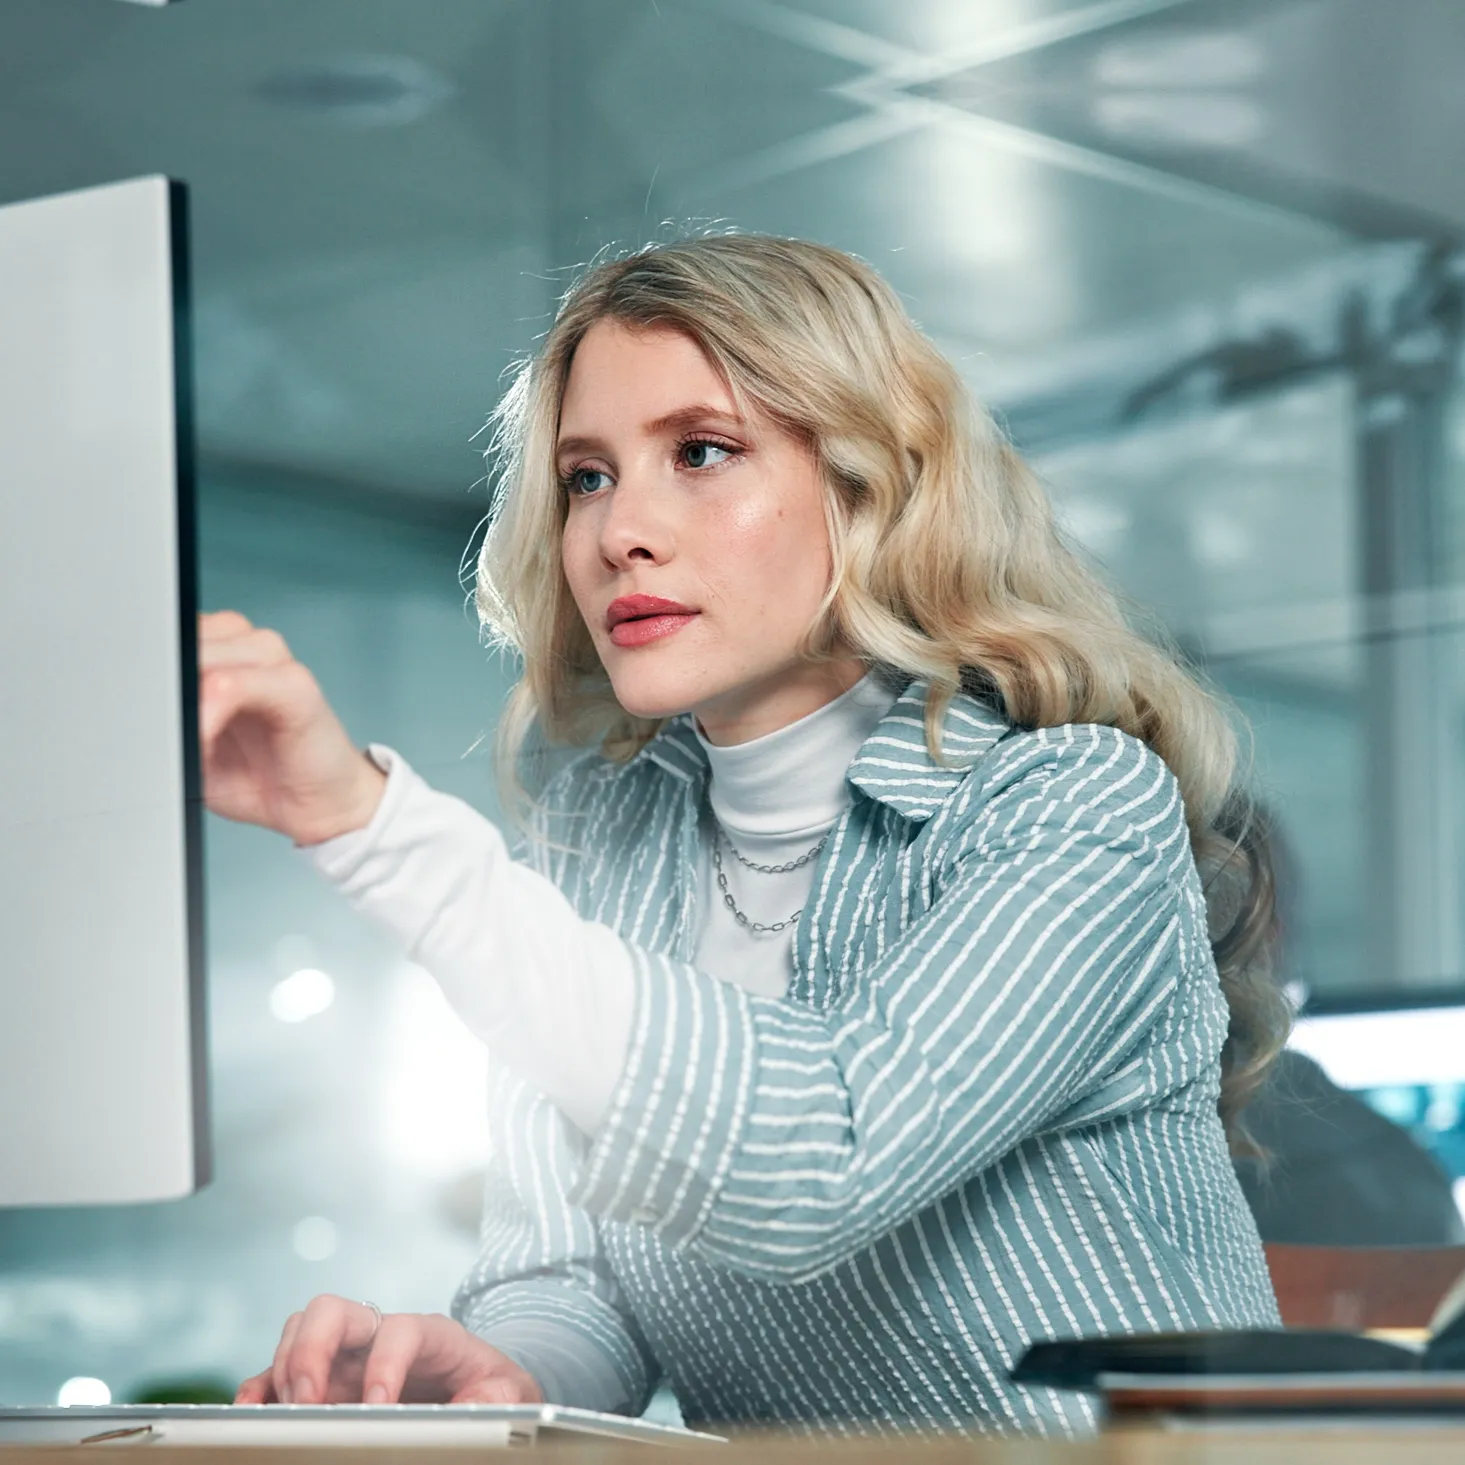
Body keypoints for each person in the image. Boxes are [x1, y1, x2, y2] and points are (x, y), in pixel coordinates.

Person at [204, 235, 1289, 1436]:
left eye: (702, 452)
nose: (622, 531)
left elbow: (818, 1155)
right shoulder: (595, 856)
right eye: (586, 477)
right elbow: (574, 1284)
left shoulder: (1072, 808)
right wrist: (504, 1369)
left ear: (867, 484)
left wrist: (369, 826)